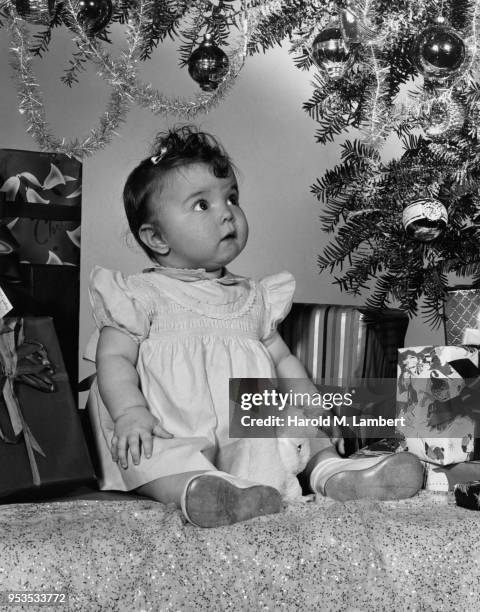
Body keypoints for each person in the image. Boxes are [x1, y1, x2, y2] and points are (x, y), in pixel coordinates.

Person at [86, 125, 424, 528]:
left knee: (295, 427)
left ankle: (334, 474)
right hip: (169, 423)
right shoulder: (138, 295)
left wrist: (309, 401)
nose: (227, 211)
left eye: (231, 198)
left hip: (246, 419)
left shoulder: (254, 297)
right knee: (154, 458)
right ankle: (203, 490)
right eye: (201, 205)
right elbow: (114, 358)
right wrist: (129, 413)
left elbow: (281, 357)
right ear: (156, 237)